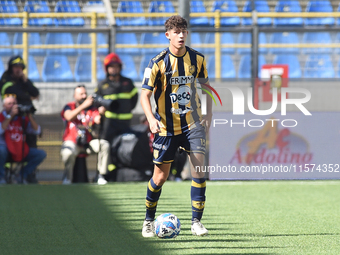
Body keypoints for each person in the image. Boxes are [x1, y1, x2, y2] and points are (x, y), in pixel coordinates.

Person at [140, 15, 212, 237]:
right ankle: (149, 220)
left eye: (184, 31)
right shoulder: (157, 63)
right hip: (166, 128)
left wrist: (209, 113)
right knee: (160, 177)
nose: (181, 36)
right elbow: (144, 95)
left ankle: (196, 222)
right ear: (168, 35)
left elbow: (206, 87)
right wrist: (151, 119)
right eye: (176, 32)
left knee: (198, 171)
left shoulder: (197, 59)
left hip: (193, 124)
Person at [94, 53, 138, 172]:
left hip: (125, 122)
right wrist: (100, 110)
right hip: (109, 123)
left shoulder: (128, 83)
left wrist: (127, 109)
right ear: (107, 69)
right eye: (111, 67)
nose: (114, 69)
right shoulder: (102, 85)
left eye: (116, 66)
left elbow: (135, 98)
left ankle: (121, 170)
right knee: (107, 146)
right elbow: (95, 101)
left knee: (125, 146)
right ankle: (107, 172)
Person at [0, 55, 40, 183]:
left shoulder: (23, 80)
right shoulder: (6, 79)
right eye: (16, 67)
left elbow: (35, 93)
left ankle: (26, 174)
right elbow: (12, 91)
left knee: (31, 144)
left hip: (24, 117)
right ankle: (4, 174)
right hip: (9, 117)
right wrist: (26, 95)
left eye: (21, 67)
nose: (18, 70)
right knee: (4, 146)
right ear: (11, 68)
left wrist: (25, 80)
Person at [60, 85, 110, 185]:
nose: (84, 96)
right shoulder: (69, 106)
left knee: (104, 145)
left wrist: (101, 114)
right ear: (75, 96)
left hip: (87, 143)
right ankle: (67, 178)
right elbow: (69, 116)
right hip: (73, 142)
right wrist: (83, 106)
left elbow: (97, 120)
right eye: (81, 94)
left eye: (85, 94)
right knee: (67, 152)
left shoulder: (91, 109)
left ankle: (100, 175)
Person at [0, 94, 46, 184]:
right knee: (1, 151)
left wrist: (29, 116)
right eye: (10, 103)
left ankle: (20, 175)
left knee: (40, 154)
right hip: (5, 150)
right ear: (4, 106)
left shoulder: (22, 118)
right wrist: (10, 116)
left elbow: (37, 131)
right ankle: (2, 177)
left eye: (14, 103)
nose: (13, 105)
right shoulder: (1, 116)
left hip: (20, 149)